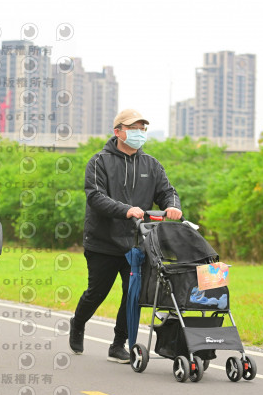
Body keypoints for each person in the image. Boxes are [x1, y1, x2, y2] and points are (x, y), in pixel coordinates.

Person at [69, 109, 182, 363]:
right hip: (103, 242)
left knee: (133, 294)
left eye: (142, 128)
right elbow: (95, 196)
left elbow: (167, 191)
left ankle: (118, 344)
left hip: (138, 243)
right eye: (133, 128)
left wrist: (173, 206)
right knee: (97, 292)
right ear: (118, 132)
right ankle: (78, 322)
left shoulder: (151, 164)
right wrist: (126, 210)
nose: (139, 133)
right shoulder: (99, 162)